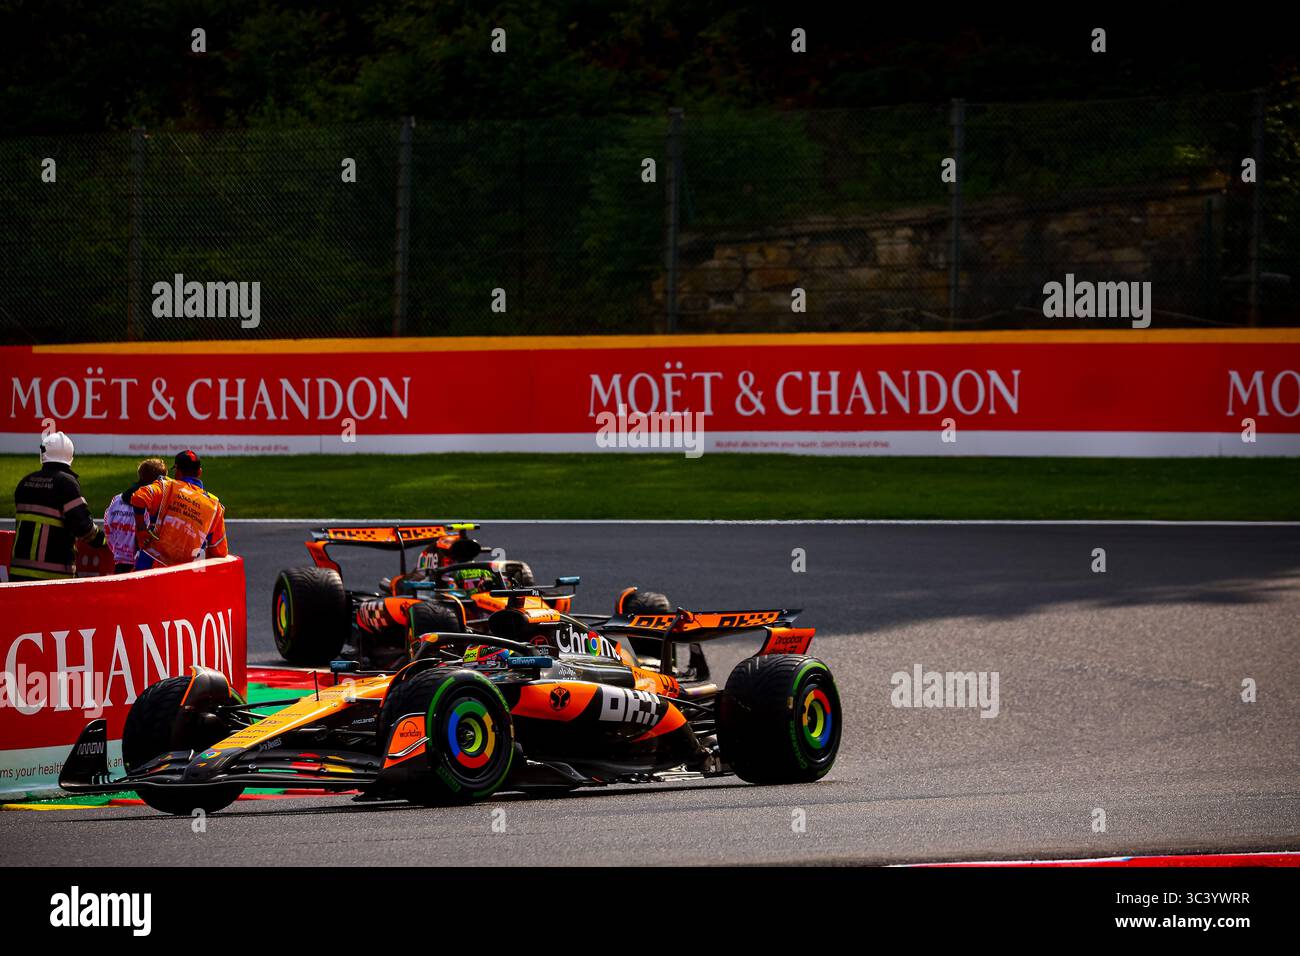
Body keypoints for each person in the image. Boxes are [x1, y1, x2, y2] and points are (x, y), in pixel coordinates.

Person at [10, 431, 105, 581]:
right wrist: (103, 540)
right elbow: (83, 526)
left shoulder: (25, 482)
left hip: (18, 574)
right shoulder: (66, 483)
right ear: (70, 456)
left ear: (43, 454)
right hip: (53, 576)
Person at [131, 450, 229, 570]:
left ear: (177, 471)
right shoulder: (215, 506)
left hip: (151, 566)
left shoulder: (166, 487)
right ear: (199, 472)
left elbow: (138, 497)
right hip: (186, 573)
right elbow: (219, 552)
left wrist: (141, 530)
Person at [103, 457, 166, 573]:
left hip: (119, 563)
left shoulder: (117, 499)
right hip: (143, 566)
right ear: (160, 480)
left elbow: (107, 529)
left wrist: (119, 552)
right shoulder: (157, 504)